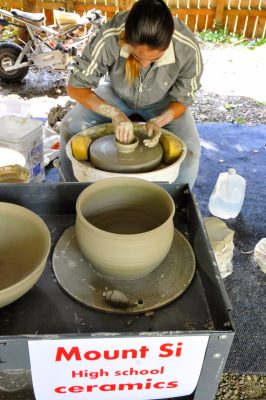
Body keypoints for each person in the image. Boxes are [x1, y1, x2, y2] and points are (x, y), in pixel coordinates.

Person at [60, 0, 203, 187]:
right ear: (127, 39)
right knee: (70, 127)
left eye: (154, 59)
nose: (145, 64)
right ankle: (70, 191)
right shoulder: (111, 35)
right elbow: (75, 87)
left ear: (168, 44)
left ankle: (177, 204)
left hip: (164, 100)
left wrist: (160, 121)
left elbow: (184, 98)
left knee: (189, 149)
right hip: (117, 93)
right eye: (137, 56)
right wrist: (114, 113)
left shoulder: (186, 47)